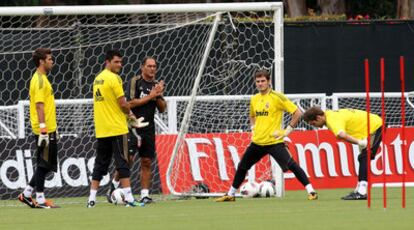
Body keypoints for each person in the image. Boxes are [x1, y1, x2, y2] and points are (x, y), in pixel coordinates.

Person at [215, 70, 318, 202]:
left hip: (274, 142)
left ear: (269, 81)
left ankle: (311, 191)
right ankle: (231, 194)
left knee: (292, 165)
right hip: (257, 142)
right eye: (258, 81)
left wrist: (287, 131)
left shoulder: (277, 97)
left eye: (263, 81)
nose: (260, 84)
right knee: (242, 166)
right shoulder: (254, 99)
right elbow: (252, 115)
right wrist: (253, 128)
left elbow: (297, 113)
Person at [87, 50, 148, 208]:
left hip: (102, 129)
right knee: (123, 162)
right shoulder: (114, 78)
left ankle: (91, 200)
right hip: (117, 128)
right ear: (107, 62)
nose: (120, 65)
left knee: (100, 164)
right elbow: (122, 104)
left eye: (121, 62)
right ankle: (129, 199)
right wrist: (132, 117)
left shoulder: (97, 79)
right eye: (116, 62)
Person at [107, 57, 166, 204]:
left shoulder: (155, 85)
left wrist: (157, 95)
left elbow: (162, 108)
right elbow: (130, 103)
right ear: (142, 67)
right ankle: (113, 188)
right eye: (149, 66)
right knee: (128, 159)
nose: (152, 69)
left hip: (149, 128)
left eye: (154, 66)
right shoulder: (135, 82)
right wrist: (150, 96)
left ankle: (144, 195)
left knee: (146, 161)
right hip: (132, 126)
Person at [303, 107, 383, 200]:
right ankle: (359, 190)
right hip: (370, 128)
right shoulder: (330, 115)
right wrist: (359, 142)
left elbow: (342, 135)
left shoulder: (332, 120)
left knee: (364, 157)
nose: (315, 126)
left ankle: (362, 192)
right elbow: (342, 136)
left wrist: (359, 142)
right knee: (363, 158)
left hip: (376, 126)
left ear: (319, 118)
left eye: (314, 123)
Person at [18, 48, 59, 209]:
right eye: (50, 59)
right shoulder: (40, 80)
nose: (52, 61)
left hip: (48, 127)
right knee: (44, 164)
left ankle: (27, 194)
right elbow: (39, 106)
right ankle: (40, 199)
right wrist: (43, 128)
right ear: (42, 61)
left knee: (45, 163)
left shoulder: (41, 78)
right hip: (45, 129)